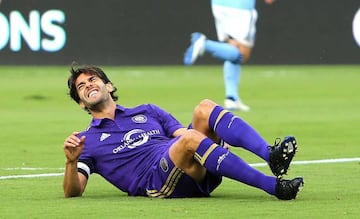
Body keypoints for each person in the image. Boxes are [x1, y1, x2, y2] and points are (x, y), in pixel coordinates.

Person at [63, 65, 304, 200]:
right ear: (82, 104)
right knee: (190, 139)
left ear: (109, 86)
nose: (88, 85)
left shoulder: (147, 110)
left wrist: (211, 140)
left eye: (93, 79)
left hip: (187, 162)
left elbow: (179, 133)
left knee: (204, 108)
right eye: (81, 87)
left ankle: (270, 155)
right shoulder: (87, 141)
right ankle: (274, 187)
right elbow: (74, 191)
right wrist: (71, 163)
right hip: (157, 182)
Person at [183, 0, 276, 112]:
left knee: (232, 47)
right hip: (240, 6)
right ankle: (204, 44)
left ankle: (232, 98)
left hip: (218, 5)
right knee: (242, 53)